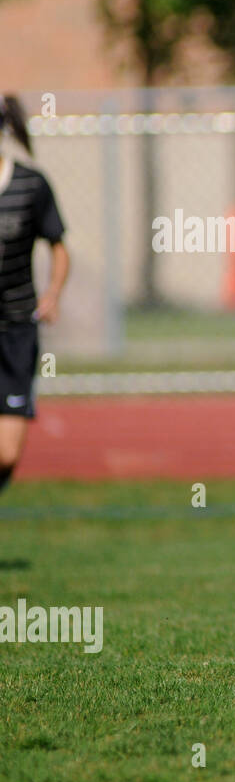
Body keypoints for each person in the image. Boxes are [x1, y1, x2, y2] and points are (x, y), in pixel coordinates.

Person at [0, 95, 69, 496]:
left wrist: (54, 292)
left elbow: (59, 247)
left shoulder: (30, 184)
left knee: (7, 453)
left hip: (15, 330)